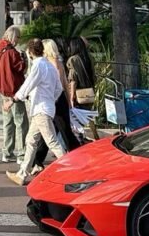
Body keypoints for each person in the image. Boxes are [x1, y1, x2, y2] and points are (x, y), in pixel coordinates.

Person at [5, 37, 66, 186]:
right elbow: (59, 88)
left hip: (41, 108)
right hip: (46, 107)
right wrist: (51, 98)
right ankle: (22, 173)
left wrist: (13, 100)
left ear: (30, 52)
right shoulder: (49, 66)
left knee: (52, 142)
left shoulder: (38, 65)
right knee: (31, 140)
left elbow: (28, 84)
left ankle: (71, 170)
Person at [33, 38, 80, 169]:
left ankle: (74, 155)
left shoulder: (50, 64)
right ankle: (37, 160)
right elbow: (64, 83)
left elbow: (58, 84)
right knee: (53, 130)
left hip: (55, 100)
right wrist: (69, 99)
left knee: (59, 130)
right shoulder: (58, 62)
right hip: (59, 100)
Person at [0, 26, 28, 164]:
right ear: (13, 37)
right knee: (21, 121)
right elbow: (21, 68)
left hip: (2, 88)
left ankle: (7, 152)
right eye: (18, 37)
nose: (18, 40)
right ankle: (22, 154)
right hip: (14, 89)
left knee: (8, 121)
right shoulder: (12, 52)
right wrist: (24, 58)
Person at [66, 36, 96, 107]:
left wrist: (71, 97)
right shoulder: (89, 58)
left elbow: (73, 80)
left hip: (78, 95)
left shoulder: (73, 60)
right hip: (89, 93)